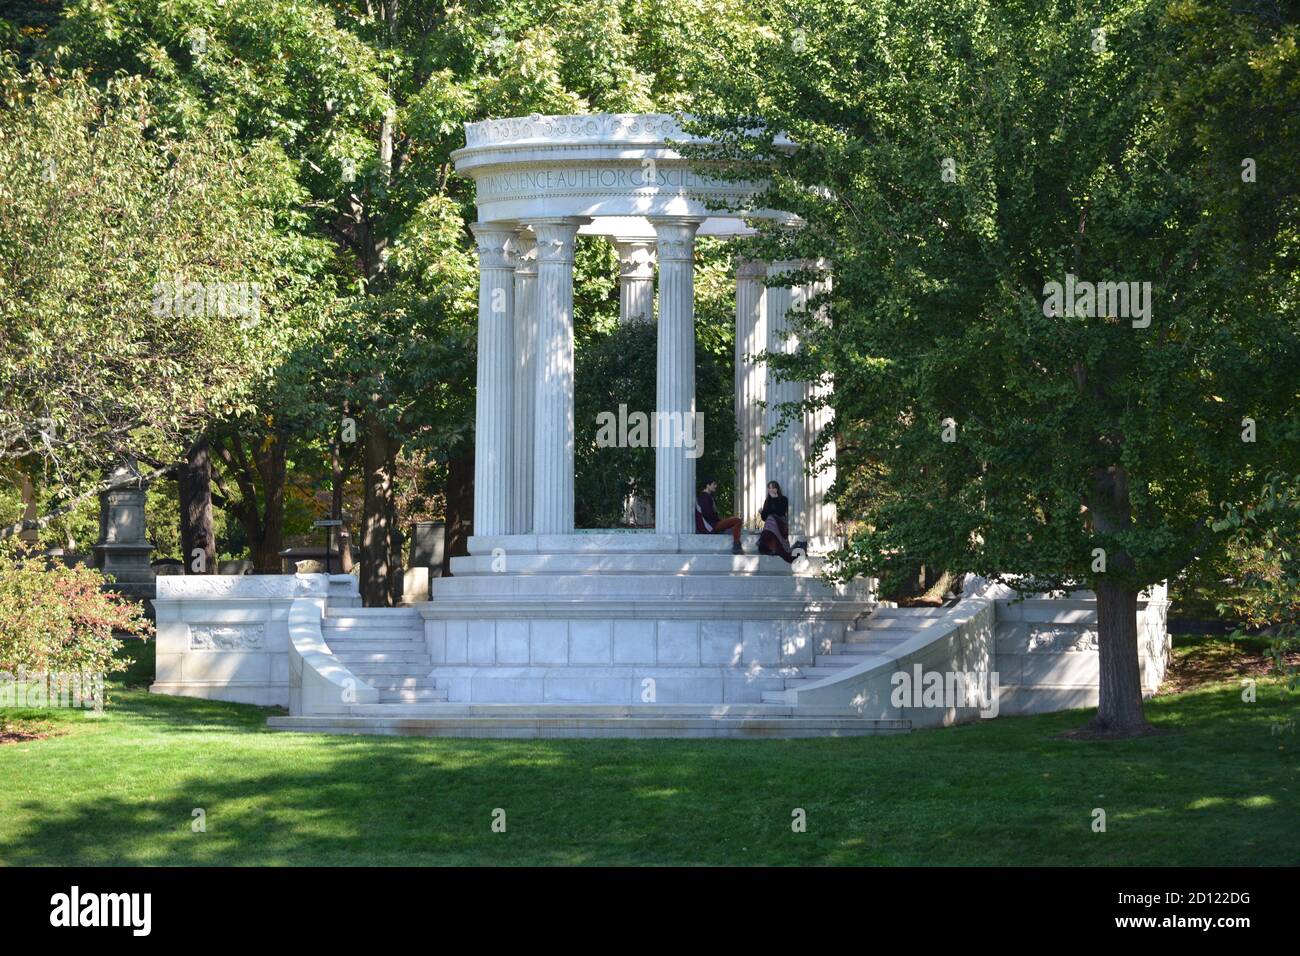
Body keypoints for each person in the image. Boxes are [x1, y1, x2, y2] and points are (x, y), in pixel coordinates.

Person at [756, 480, 808, 564]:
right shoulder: (767, 501)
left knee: (771, 518)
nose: (771, 490)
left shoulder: (783, 499)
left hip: (781, 523)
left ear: (777, 489)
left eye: (773, 488)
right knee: (770, 519)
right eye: (769, 488)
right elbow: (764, 518)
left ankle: (766, 545)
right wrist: (762, 512)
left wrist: (774, 500)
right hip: (771, 523)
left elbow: (780, 512)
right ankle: (769, 546)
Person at [695, 476, 744, 554]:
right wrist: (719, 520)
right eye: (714, 484)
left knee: (734, 523)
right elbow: (708, 514)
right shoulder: (704, 497)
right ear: (707, 485)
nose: (715, 486)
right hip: (710, 527)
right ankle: (736, 545)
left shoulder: (707, 496)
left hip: (713, 524)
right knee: (737, 521)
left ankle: (735, 540)